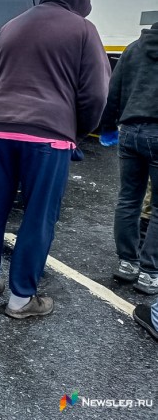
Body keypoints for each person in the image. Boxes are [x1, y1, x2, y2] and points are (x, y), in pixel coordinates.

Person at [0, 0, 110, 318]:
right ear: (81, 1)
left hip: (1, 129)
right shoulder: (83, 29)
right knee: (37, 216)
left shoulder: (11, 26)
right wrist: (75, 131)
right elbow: (95, 93)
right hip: (49, 135)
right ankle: (21, 300)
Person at [99, 22, 158, 295]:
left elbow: (113, 90)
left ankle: (127, 263)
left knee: (128, 199)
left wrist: (108, 127)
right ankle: (149, 273)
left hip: (130, 132)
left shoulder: (133, 49)